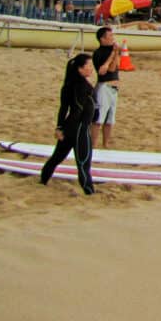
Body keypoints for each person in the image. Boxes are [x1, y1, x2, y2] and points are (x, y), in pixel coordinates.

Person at [40, 53, 96, 195]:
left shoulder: (68, 84)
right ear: (79, 69)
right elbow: (79, 108)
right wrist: (86, 122)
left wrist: (60, 127)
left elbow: (64, 108)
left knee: (56, 158)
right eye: (88, 65)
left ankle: (43, 180)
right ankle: (89, 191)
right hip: (80, 128)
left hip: (68, 127)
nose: (91, 68)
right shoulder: (81, 86)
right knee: (83, 163)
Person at [91, 27, 119, 149]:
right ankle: (93, 144)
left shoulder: (111, 50)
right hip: (104, 86)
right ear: (102, 39)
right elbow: (108, 69)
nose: (112, 38)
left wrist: (115, 53)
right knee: (98, 119)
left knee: (109, 119)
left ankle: (105, 144)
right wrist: (113, 53)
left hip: (114, 87)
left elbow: (116, 66)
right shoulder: (99, 53)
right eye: (110, 36)